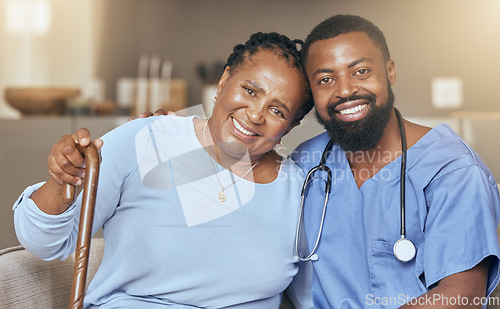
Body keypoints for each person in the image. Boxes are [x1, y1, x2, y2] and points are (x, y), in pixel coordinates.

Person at [12, 32, 315, 308]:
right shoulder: (148, 139)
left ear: (290, 127)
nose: (255, 114)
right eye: (250, 90)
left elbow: (311, 293)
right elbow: (44, 242)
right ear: (224, 81)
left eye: (277, 111)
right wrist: (61, 181)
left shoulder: (299, 191)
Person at [288, 14, 500, 308]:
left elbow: (462, 294)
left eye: (360, 71)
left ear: (390, 72)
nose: (345, 90)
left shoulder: (452, 169)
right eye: (326, 79)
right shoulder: (303, 165)